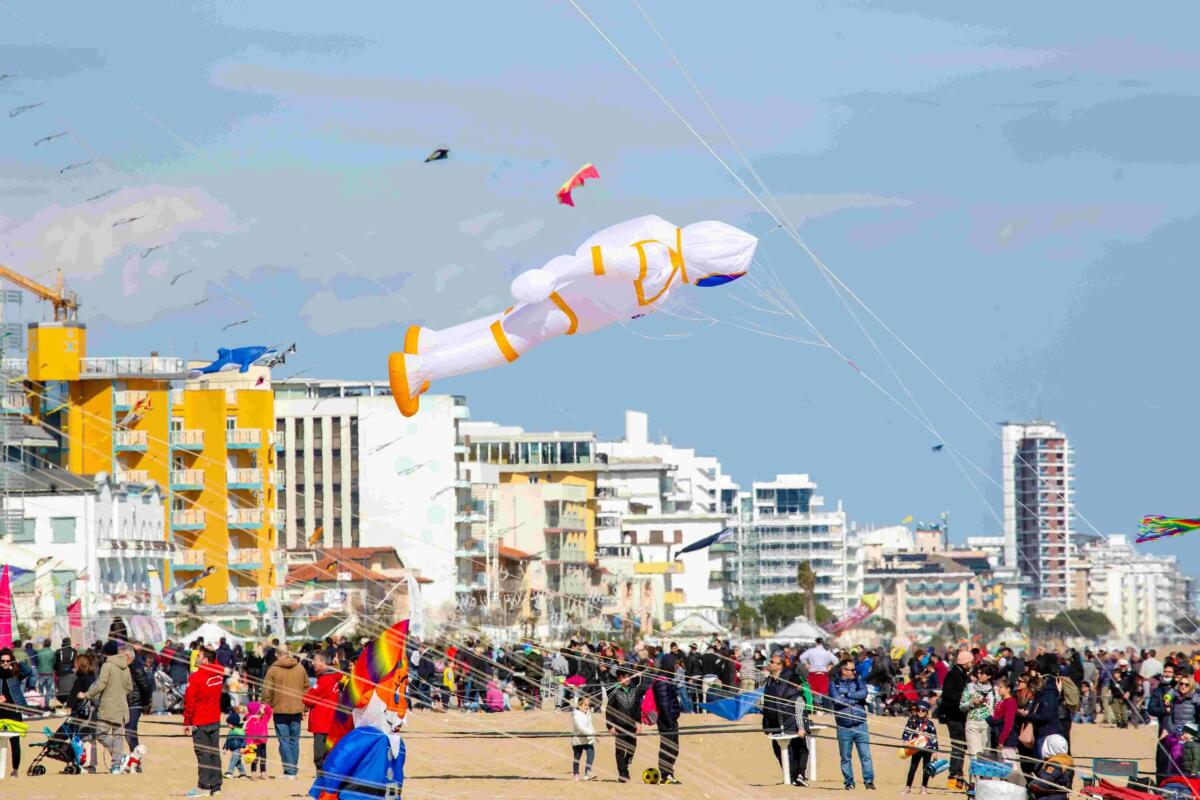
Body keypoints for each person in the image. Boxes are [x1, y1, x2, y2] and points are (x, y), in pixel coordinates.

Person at [82, 640, 132, 773]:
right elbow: (129, 687)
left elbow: (100, 684)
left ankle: (119, 759)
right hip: (121, 706)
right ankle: (116, 765)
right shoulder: (126, 667)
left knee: (100, 733)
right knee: (118, 736)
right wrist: (119, 694)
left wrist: (86, 694)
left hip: (107, 706)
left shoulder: (107, 665)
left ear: (106, 654)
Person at [762, 652, 809, 787]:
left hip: (791, 719)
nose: (769, 663)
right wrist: (766, 725)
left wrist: (801, 726)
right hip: (775, 721)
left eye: (772, 662)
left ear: (780, 666)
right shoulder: (770, 681)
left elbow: (799, 699)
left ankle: (800, 775)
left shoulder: (790, 677)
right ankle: (790, 776)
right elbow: (767, 704)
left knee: (798, 748)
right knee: (779, 750)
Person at [260, 646, 307, 779]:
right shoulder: (300, 668)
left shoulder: (273, 670)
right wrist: (305, 708)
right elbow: (306, 689)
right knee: (294, 741)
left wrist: (265, 706)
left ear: (276, 654)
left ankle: (290, 771)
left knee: (284, 741)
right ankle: (292, 770)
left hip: (279, 709)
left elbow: (267, 690)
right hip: (297, 709)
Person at [829, 657, 875, 790]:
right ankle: (849, 782)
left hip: (861, 724)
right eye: (851, 670)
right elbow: (837, 700)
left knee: (865, 755)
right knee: (845, 757)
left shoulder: (858, 681)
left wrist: (847, 695)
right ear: (843, 670)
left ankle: (869, 781)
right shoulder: (834, 684)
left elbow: (863, 693)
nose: (854, 672)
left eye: (854, 670)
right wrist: (853, 700)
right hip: (843, 726)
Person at [183, 646, 224, 797]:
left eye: (199, 655)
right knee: (214, 753)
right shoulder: (219, 673)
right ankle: (216, 786)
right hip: (214, 719)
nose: (196, 657)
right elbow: (216, 662)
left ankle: (204, 786)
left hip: (200, 720)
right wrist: (211, 652)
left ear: (205, 660)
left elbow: (190, 702)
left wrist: (187, 722)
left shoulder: (196, 677)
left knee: (203, 754)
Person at [936, 649, 971, 790]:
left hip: (960, 716)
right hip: (953, 716)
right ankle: (954, 777)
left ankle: (958, 777)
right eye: (970, 662)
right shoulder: (954, 674)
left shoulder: (961, 674)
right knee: (957, 747)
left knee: (961, 747)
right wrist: (965, 697)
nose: (971, 664)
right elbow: (948, 694)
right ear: (965, 662)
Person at [303, 652, 341, 777]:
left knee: (319, 751)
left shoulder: (325, 680)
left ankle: (322, 774)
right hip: (330, 718)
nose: (313, 663)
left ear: (323, 662)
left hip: (322, 719)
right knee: (328, 749)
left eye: (315, 660)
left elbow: (307, 699)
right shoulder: (334, 676)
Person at [606, 666, 644, 782]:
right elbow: (609, 709)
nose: (626, 679)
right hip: (619, 725)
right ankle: (623, 774)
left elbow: (637, 708)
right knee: (620, 750)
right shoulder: (614, 691)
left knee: (632, 747)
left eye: (628, 677)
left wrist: (639, 723)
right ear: (618, 678)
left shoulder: (634, 690)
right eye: (623, 677)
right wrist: (610, 726)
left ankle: (626, 764)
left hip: (631, 724)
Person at [960, 662, 996, 781]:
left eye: (982, 673)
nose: (979, 675)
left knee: (987, 756)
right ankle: (975, 784)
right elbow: (961, 706)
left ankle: (986, 784)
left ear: (989, 676)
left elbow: (998, 708)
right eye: (978, 673)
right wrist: (971, 702)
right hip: (972, 724)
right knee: (974, 756)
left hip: (988, 725)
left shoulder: (995, 690)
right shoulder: (970, 687)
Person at [653, 653, 683, 784]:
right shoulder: (662, 681)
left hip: (671, 718)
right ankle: (665, 774)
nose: (676, 667)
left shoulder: (667, 679)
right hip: (665, 719)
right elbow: (663, 703)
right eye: (675, 665)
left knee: (674, 748)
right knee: (667, 747)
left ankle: (669, 773)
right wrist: (669, 722)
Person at [990, 677, 1024, 787]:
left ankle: (1015, 788)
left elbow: (1009, 722)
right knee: (1003, 765)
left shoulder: (1010, 702)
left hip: (1008, 738)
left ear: (1008, 689)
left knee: (1011, 765)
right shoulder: (1002, 700)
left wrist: (1002, 739)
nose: (998, 689)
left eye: (1001, 687)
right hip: (999, 734)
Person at [0, 648, 28, 777]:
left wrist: (19, 662)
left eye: (8, 661)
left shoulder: (15, 675)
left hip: (14, 712)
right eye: (2, 661)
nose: (5, 663)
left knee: (15, 742)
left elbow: (28, 671)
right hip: (1, 712)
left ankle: (15, 770)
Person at [125, 642, 153, 766]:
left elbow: (145, 687)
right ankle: (135, 761)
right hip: (127, 703)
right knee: (128, 733)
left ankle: (136, 761)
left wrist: (146, 704)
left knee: (130, 733)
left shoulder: (136, 668)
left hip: (135, 703)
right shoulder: (125, 668)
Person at [902, 701, 938, 794]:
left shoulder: (930, 723)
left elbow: (934, 737)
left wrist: (935, 751)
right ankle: (908, 787)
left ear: (926, 712)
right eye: (919, 710)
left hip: (927, 748)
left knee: (926, 768)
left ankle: (924, 787)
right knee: (913, 767)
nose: (920, 712)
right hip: (916, 747)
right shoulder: (912, 720)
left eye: (923, 710)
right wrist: (905, 740)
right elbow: (907, 731)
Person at [1028, 734, 1074, 800]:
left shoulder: (1055, 764)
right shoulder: (1066, 761)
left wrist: (1031, 784)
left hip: (1050, 797)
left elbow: (1044, 781)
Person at [570, 694, 597, 780]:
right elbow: (580, 728)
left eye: (588, 705)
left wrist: (594, 735)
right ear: (579, 705)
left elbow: (590, 725)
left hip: (587, 739)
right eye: (585, 705)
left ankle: (587, 772)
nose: (587, 707)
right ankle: (576, 774)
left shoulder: (588, 713)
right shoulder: (576, 715)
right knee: (577, 757)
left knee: (591, 752)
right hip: (578, 740)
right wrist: (591, 732)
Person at [245, 701, 272, 779]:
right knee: (255, 757)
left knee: (262, 757)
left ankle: (262, 772)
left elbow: (269, 711)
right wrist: (249, 742)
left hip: (262, 741)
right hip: (254, 742)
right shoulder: (250, 718)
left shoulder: (263, 717)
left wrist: (264, 705)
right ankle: (254, 772)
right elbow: (247, 731)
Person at [224, 705, 247, 779]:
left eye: (229, 723)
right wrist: (225, 748)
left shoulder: (239, 731)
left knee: (233, 760)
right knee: (238, 762)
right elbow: (228, 740)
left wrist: (242, 747)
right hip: (233, 749)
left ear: (233, 723)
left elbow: (244, 739)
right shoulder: (231, 731)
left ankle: (230, 772)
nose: (227, 725)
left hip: (238, 749)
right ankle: (243, 774)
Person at [33, 638, 55, 710]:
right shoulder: (52, 653)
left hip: (41, 673)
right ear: (50, 644)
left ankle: (42, 705)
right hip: (49, 672)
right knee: (48, 690)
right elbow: (54, 662)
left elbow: (36, 662)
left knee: (41, 690)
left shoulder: (39, 652)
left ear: (43, 644)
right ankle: (47, 705)